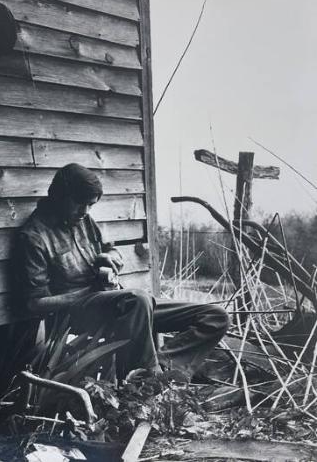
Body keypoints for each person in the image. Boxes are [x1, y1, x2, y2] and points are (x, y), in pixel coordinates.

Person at [12, 163, 229, 380]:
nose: (85, 211)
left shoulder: (82, 220)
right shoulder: (34, 237)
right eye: (80, 203)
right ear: (60, 196)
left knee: (214, 316)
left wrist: (112, 258)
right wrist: (89, 291)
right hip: (76, 315)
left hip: (117, 304)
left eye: (90, 205)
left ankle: (155, 373)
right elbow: (36, 303)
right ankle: (145, 384)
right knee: (138, 300)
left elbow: (110, 248)